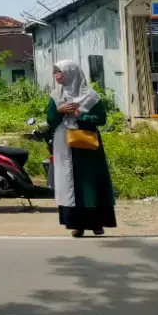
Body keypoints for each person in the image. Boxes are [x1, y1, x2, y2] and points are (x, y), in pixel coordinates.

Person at [47, 60, 117, 238]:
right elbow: (50, 119)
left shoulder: (91, 96)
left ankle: (97, 224)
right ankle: (76, 224)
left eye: (60, 72)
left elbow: (101, 119)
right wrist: (60, 110)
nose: (57, 76)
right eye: (55, 73)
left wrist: (82, 114)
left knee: (89, 183)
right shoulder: (56, 95)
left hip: (86, 143)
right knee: (68, 183)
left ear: (71, 73)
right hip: (64, 144)